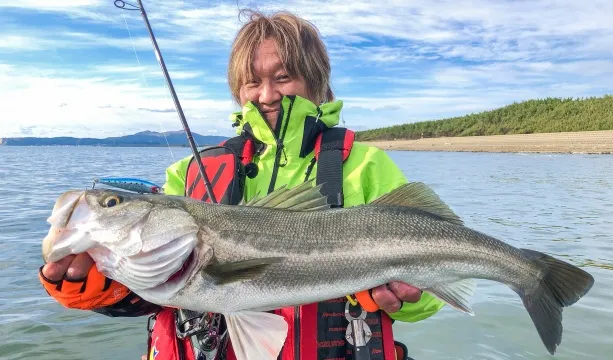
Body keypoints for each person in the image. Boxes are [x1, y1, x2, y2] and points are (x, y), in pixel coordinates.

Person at [38, 9, 445, 360]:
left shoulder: (364, 166)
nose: (266, 95)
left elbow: (425, 300)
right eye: (252, 82)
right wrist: (99, 289)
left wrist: (412, 297)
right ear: (238, 90)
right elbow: (159, 289)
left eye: (283, 76)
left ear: (315, 80)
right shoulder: (191, 173)